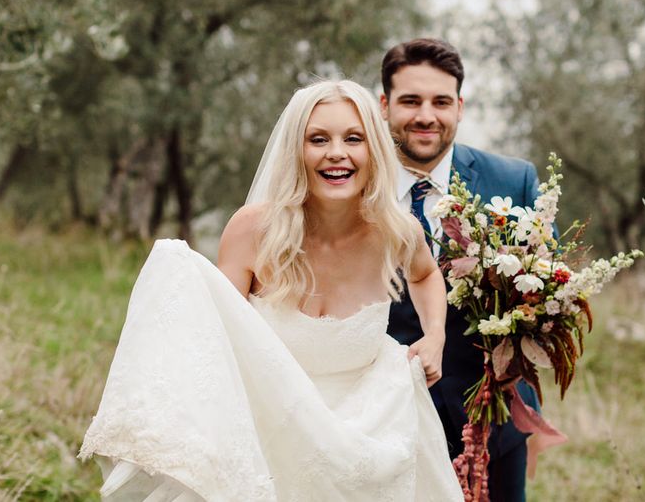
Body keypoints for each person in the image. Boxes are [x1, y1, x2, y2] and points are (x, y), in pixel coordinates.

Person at [79, 79, 464, 501]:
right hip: (269, 429)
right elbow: (215, 333)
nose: (336, 151)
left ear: (373, 148)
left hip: (370, 428)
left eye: (353, 138)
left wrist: (435, 336)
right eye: (318, 139)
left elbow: (426, 276)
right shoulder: (253, 230)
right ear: (295, 151)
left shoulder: (396, 231)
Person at [381, 38, 541, 502]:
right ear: (385, 105)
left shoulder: (514, 182)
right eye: (410, 101)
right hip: (384, 421)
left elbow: (540, 292)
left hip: (493, 418)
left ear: (460, 107)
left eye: (440, 102)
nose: (425, 116)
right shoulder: (352, 182)